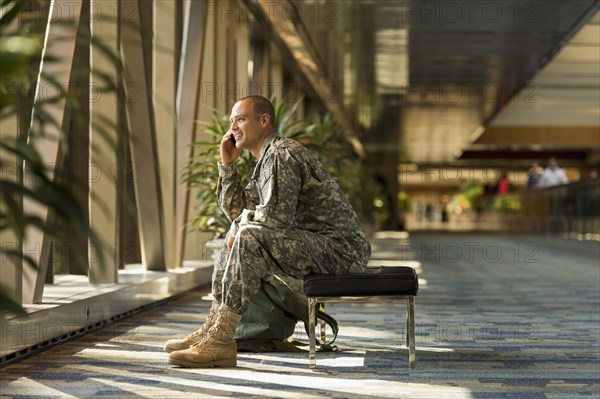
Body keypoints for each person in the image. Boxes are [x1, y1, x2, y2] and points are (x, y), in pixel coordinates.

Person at [164, 95, 371, 368]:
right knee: (236, 231)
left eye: (241, 119)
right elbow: (236, 211)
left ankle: (221, 340)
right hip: (317, 246)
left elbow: (274, 220)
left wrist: (242, 226)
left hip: (340, 251)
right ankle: (214, 330)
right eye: (231, 121)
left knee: (247, 235)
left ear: (264, 121)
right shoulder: (265, 160)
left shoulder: (282, 154)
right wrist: (227, 166)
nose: (233, 127)